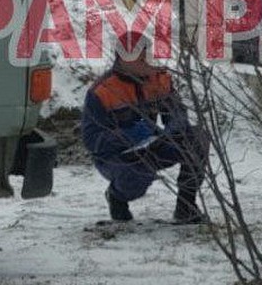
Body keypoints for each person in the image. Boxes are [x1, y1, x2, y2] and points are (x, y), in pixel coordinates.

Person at [80, 38, 209, 224]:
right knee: (137, 177)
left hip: (153, 146)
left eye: (149, 55)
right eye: (143, 58)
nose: (150, 60)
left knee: (197, 139)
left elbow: (177, 113)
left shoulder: (160, 80)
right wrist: (130, 135)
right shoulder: (102, 91)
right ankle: (117, 198)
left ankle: (186, 207)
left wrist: (173, 130)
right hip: (116, 157)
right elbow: (92, 141)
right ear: (126, 61)